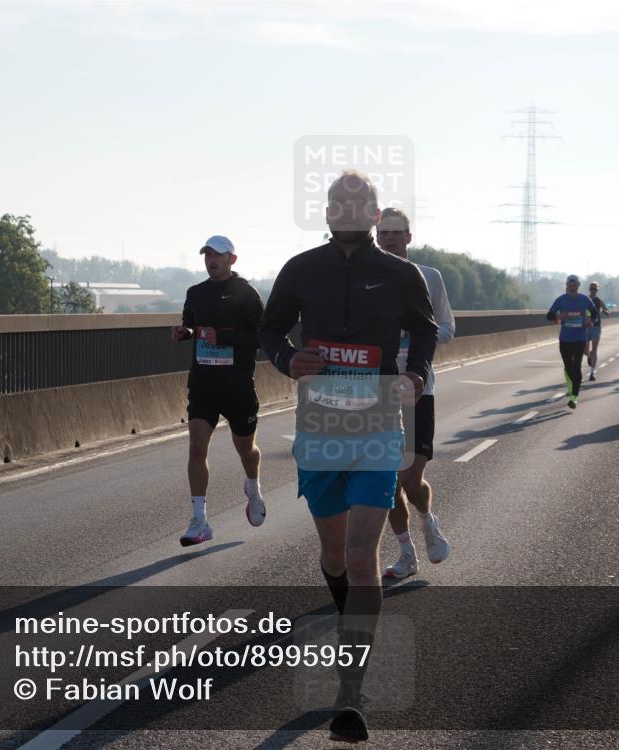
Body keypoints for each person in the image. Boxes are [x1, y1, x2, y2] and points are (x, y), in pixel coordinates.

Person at [259, 171, 437, 742]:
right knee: (334, 557)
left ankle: (350, 694)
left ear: (375, 212)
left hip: (378, 425)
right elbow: (268, 332)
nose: (348, 208)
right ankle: (349, 620)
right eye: (338, 200)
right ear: (328, 209)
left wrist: (414, 370)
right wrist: (288, 361)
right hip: (320, 428)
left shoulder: (399, 273)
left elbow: (426, 330)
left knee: (363, 557)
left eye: (359, 202)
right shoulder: (301, 268)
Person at [375, 207, 454, 580]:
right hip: (378, 392)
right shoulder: (366, 279)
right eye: (383, 232)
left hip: (420, 389)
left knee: (409, 480)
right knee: (386, 480)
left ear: (409, 237)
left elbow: (447, 327)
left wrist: (416, 341)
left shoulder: (429, 277)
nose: (389, 238)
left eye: (396, 232)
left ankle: (427, 518)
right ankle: (407, 554)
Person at [172, 235, 266, 546]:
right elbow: (190, 325)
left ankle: (253, 487)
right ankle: (200, 520)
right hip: (203, 384)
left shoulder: (247, 294)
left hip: (237, 384)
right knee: (197, 449)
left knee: (246, 450)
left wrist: (224, 337)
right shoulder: (195, 293)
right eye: (207, 255)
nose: (211, 260)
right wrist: (184, 333)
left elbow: (262, 338)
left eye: (218, 255)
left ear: (232, 260)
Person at [546, 275, 596, 409]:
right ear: (567, 285)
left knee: (577, 365)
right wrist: (557, 316)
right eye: (570, 285)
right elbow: (549, 315)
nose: (573, 287)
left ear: (578, 285)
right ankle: (572, 386)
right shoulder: (561, 300)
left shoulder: (585, 299)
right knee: (568, 365)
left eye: (575, 285)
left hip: (580, 339)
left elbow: (594, 312)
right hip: (565, 339)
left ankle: (574, 397)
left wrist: (590, 321)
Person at [586, 281, 611, 381]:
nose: (593, 291)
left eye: (595, 289)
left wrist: (605, 311)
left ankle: (592, 373)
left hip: (596, 327)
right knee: (585, 349)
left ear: (597, 290)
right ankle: (589, 355)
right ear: (589, 289)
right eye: (592, 289)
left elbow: (609, 312)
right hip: (586, 327)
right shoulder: (584, 300)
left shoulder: (599, 301)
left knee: (595, 349)